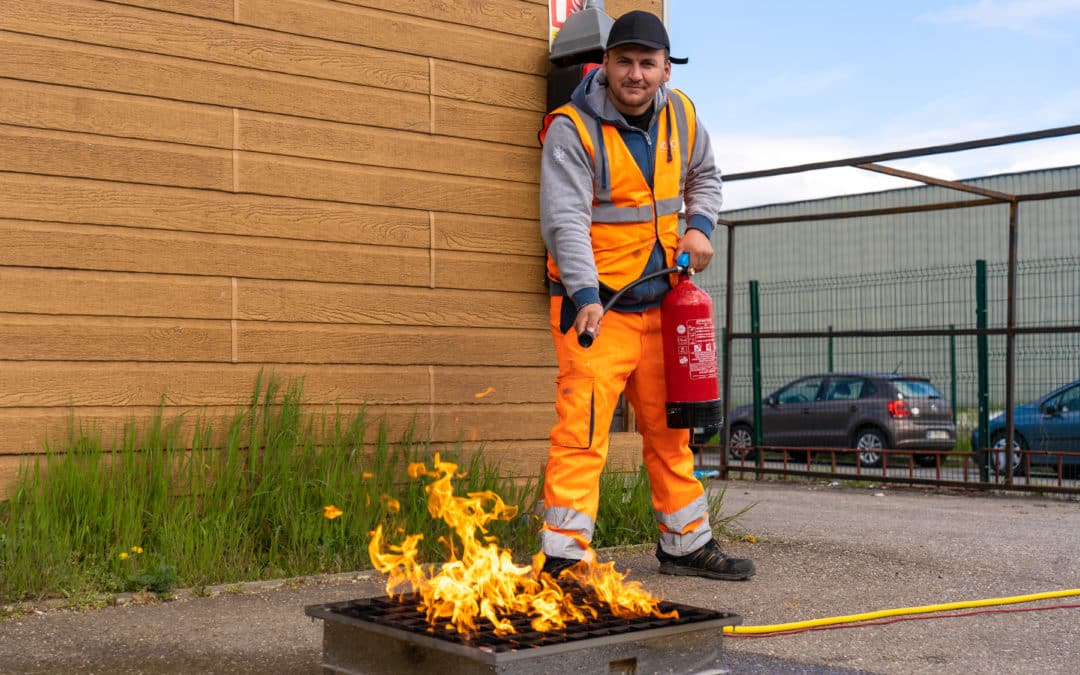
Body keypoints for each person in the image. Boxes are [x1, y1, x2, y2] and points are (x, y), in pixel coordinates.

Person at [537, 10, 755, 581]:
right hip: (595, 313)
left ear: (665, 70)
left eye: (647, 64)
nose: (635, 74)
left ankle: (685, 545)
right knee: (582, 437)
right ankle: (563, 561)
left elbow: (706, 176)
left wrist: (700, 226)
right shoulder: (571, 127)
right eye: (624, 62)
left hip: (663, 307)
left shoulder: (682, 115)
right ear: (604, 64)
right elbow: (564, 220)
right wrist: (584, 294)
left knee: (671, 432)